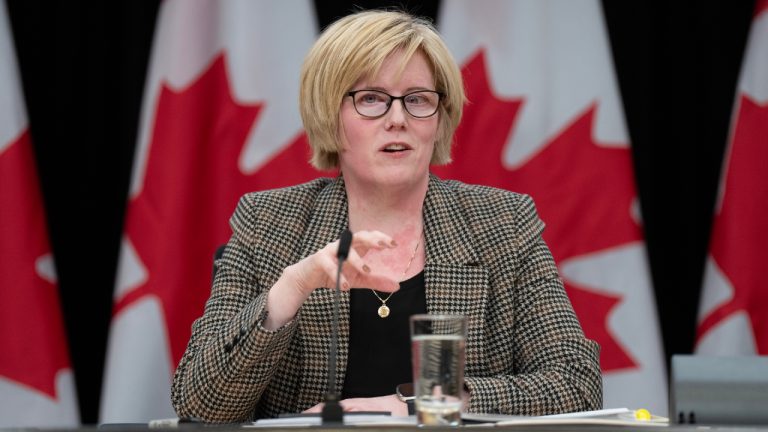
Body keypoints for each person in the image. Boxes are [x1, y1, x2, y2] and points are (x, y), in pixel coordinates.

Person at [171, 9, 602, 423]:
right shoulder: (270, 224)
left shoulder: (501, 224)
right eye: (372, 99)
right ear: (328, 114)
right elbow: (199, 403)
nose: (398, 119)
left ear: (440, 117)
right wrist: (293, 288)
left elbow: (576, 385)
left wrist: (422, 403)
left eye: (417, 100)